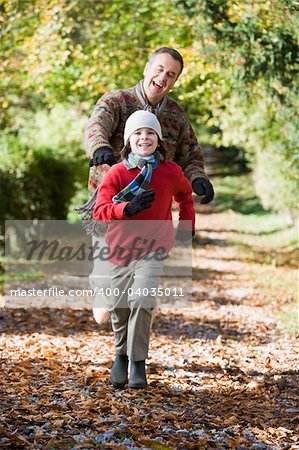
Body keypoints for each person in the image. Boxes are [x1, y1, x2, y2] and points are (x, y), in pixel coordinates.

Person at [84, 47, 214, 327]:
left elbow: (190, 155)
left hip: (151, 214)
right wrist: (101, 147)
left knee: (143, 290)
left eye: (171, 74)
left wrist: (197, 178)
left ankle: (133, 347)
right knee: (105, 305)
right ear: (147, 68)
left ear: (175, 81)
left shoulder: (176, 116)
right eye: (159, 69)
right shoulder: (117, 101)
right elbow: (96, 127)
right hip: (111, 210)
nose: (163, 78)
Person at [92, 110, 195, 388]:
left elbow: (185, 196)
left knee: (142, 300)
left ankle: (138, 363)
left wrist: (185, 228)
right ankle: (120, 355)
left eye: (150, 133)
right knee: (120, 305)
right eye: (137, 133)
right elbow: (100, 211)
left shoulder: (170, 171)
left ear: (158, 139)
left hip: (153, 248)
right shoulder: (117, 173)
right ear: (129, 141)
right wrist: (128, 208)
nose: (144, 137)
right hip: (120, 250)